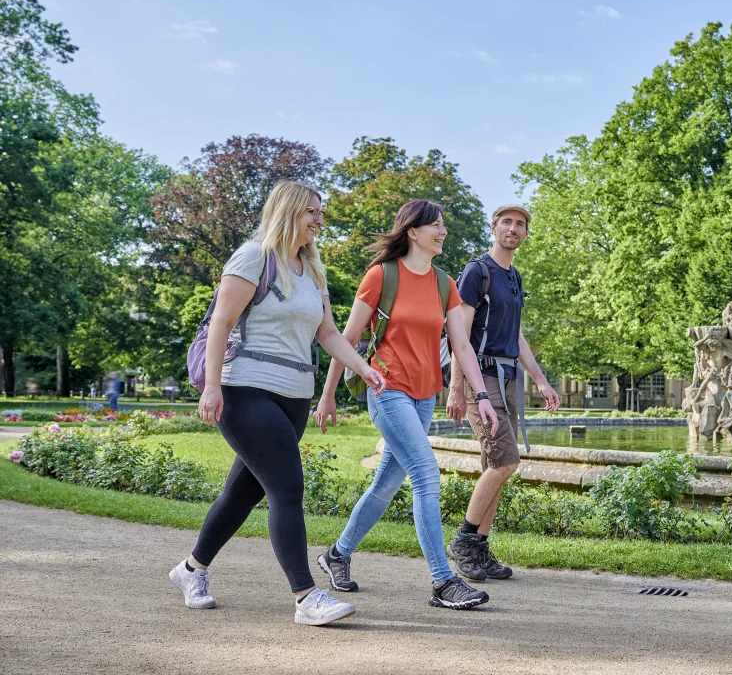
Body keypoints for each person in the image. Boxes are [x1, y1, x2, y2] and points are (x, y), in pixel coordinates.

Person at [169, 180, 386, 627]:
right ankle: (306, 596)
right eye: (312, 212)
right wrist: (212, 386)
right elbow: (221, 322)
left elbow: (327, 333)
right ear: (288, 211)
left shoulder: (313, 269)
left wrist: (361, 368)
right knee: (287, 488)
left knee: (243, 492)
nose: (320, 220)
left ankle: (191, 570)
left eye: (320, 212)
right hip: (245, 388)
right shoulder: (254, 257)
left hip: (294, 396)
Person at [315, 199, 499, 610]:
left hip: (423, 396)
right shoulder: (382, 275)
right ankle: (443, 581)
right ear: (412, 231)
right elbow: (344, 339)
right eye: (435, 225)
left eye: (444, 224)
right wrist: (327, 395)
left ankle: (337, 554)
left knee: (386, 485)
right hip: (386, 389)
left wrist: (481, 395)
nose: (443, 231)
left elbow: (461, 344)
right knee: (426, 474)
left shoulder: (443, 283)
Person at [445, 205, 560, 581]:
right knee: (505, 462)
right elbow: (458, 333)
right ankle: (464, 541)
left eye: (521, 224)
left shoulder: (514, 278)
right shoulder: (477, 272)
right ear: (493, 228)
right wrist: (457, 389)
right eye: (507, 222)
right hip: (482, 378)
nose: (513, 228)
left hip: (509, 380)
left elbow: (517, 336)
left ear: (526, 234)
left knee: (496, 465)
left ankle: (479, 548)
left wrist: (540, 380)